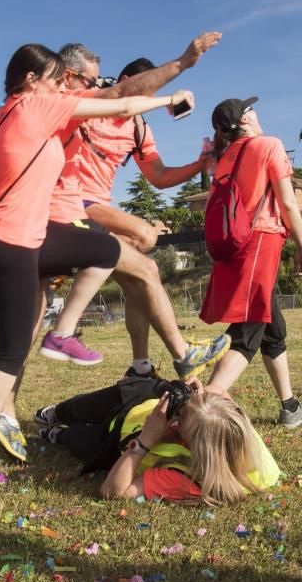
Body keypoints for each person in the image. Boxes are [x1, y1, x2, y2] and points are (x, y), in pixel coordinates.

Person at [0, 43, 195, 487]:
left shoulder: (9, 111)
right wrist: (169, 93)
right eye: (54, 78)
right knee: (8, 354)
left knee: (105, 250)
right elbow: (120, 101)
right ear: (31, 80)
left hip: (18, 239)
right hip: (13, 245)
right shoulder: (35, 105)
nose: (61, 86)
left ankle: (61, 334)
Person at [44, 43, 231, 383]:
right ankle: (79, 267)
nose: (151, 98)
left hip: (97, 208)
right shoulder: (93, 99)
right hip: (71, 202)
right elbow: (124, 94)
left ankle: (141, 365)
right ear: (132, 81)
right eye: (150, 86)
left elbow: (158, 177)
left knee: (141, 274)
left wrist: (200, 164)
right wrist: (181, 68)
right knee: (145, 235)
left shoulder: (138, 127)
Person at [199, 97, 302, 427]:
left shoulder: (223, 160)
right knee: (248, 329)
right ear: (245, 119)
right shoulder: (269, 145)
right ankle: (206, 404)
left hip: (233, 248)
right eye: (251, 109)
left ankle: (290, 407)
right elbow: (288, 203)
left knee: (272, 329)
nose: (256, 111)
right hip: (259, 243)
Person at [34, 377, 280, 505]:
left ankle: (56, 434)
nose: (178, 413)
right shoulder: (235, 432)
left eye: (182, 416)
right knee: (77, 407)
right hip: (136, 401)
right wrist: (201, 394)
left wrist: (145, 440)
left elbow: (111, 491)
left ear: (198, 446)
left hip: (113, 445)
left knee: (76, 438)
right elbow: (222, 397)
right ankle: (57, 413)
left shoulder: (187, 477)